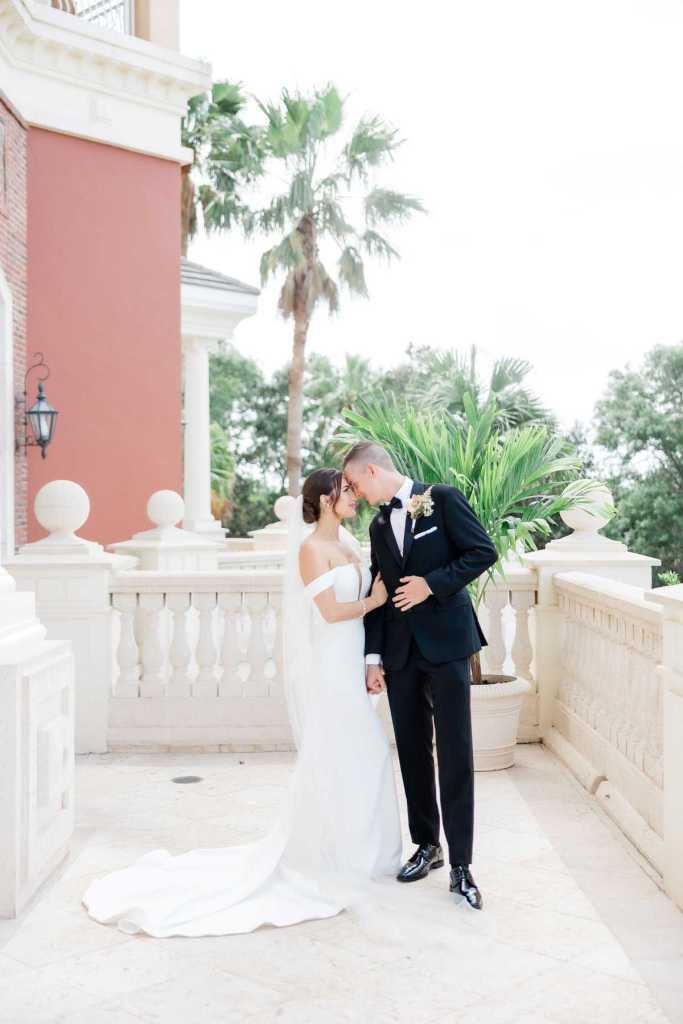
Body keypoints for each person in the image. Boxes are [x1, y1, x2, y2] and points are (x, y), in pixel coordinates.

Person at [81, 469, 402, 937]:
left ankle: (368, 851)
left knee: (366, 756)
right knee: (341, 754)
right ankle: (331, 854)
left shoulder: (352, 543)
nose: (354, 496)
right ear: (324, 500)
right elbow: (331, 612)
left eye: (354, 489)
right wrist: (373, 602)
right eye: (345, 491)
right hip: (332, 666)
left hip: (354, 661)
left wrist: (373, 654)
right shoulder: (310, 550)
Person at [342, 442, 498, 910]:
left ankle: (462, 866)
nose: (354, 493)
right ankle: (427, 845)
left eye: (354, 483)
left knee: (455, 753)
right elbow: (378, 590)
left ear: (372, 471)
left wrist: (432, 584)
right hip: (401, 652)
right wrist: (373, 657)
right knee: (411, 751)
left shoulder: (442, 498)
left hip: (448, 646)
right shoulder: (375, 525)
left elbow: (481, 552)